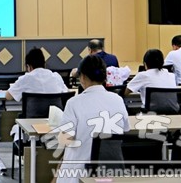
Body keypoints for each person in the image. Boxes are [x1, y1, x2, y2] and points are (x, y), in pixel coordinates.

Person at [55, 55, 130, 183]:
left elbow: (65, 139)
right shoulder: (117, 100)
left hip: (79, 175)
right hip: (111, 175)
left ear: (82, 77)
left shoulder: (73, 103)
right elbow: (125, 130)